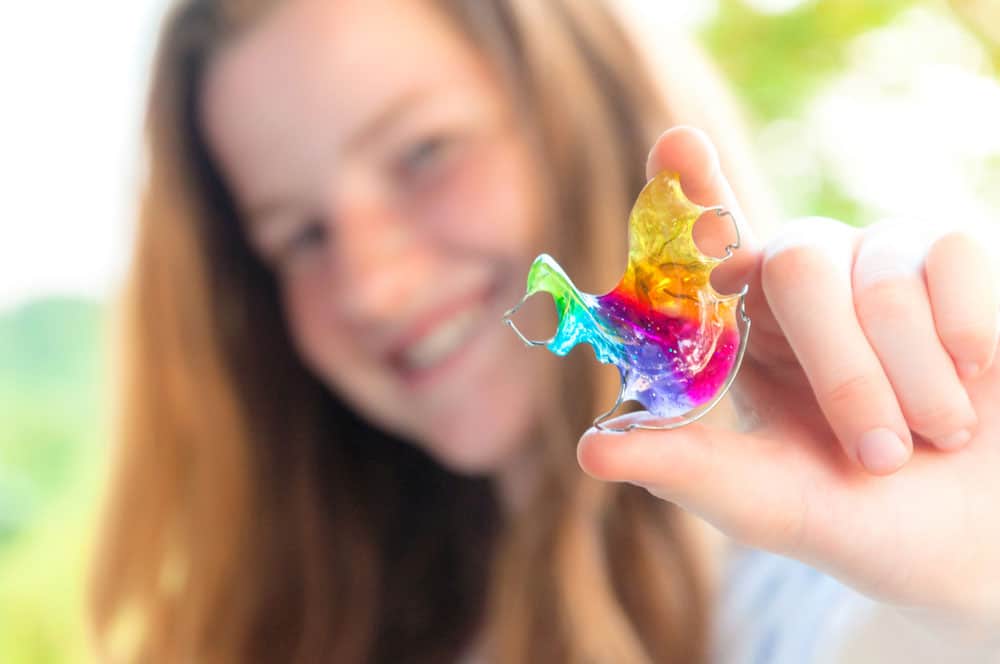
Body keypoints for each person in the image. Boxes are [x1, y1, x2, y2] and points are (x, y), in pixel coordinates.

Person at [88, 0, 1000, 662]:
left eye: (423, 153)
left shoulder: (812, 581)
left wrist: (974, 586)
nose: (372, 284)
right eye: (300, 236)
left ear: (589, 112)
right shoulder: (305, 626)